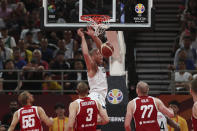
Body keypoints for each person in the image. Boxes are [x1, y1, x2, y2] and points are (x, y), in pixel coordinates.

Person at [77, 28, 108, 108]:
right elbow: (86, 54)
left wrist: (94, 36)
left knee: (104, 120)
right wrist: (83, 37)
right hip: (96, 97)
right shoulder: (93, 67)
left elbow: (101, 48)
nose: (101, 55)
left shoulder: (99, 67)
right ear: (92, 57)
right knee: (103, 119)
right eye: (98, 54)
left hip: (100, 98)